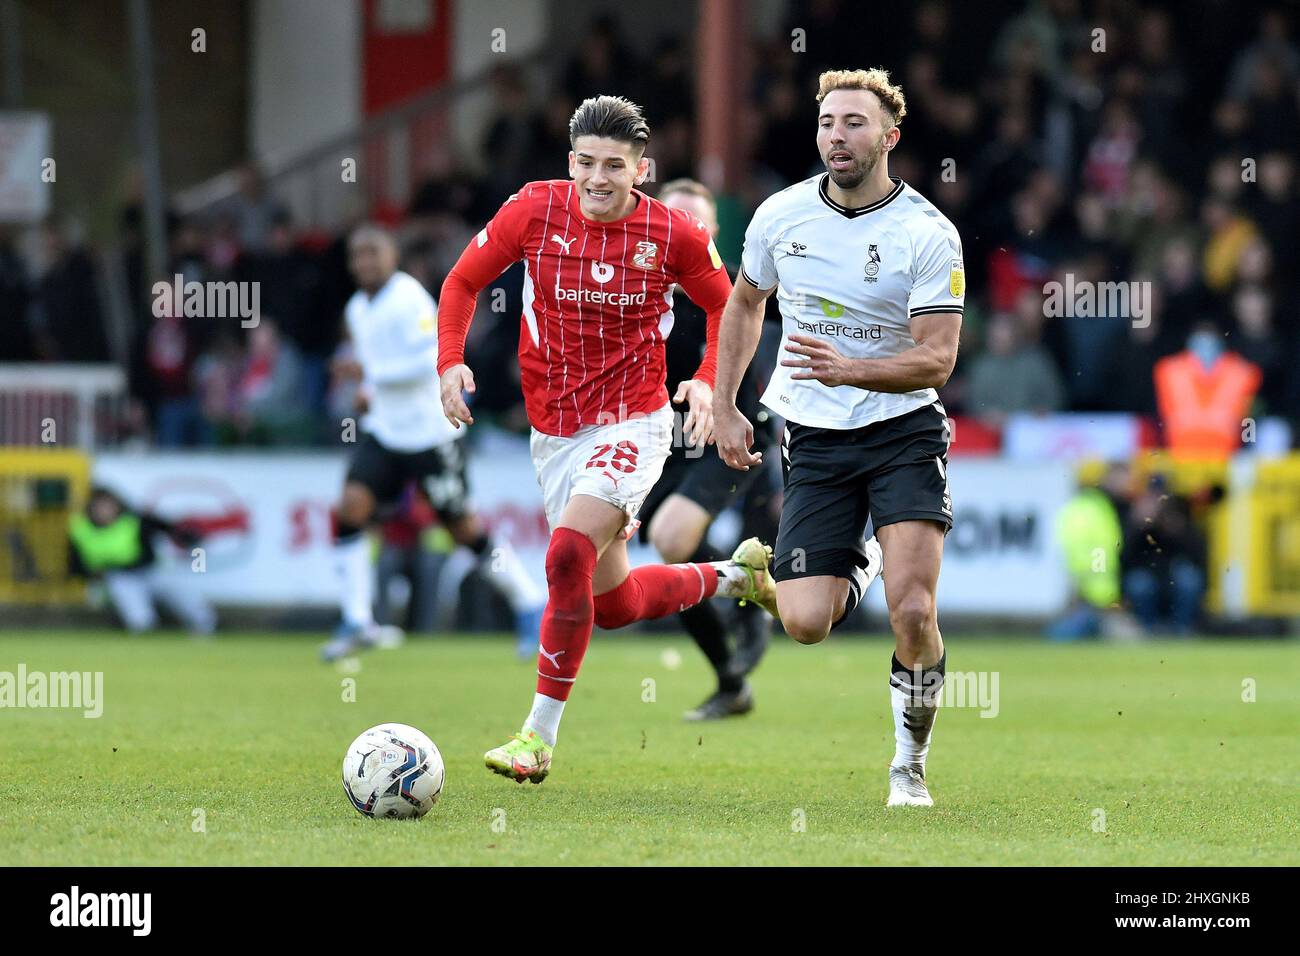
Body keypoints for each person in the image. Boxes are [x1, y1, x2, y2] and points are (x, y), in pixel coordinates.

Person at [437, 95, 780, 784]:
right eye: (587, 163)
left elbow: (729, 304)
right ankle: (736, 577)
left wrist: (711, 382)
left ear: (641, 170)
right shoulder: (533, 209)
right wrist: (450, 361)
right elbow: (462, 281)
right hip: (554, 432)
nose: (598, 178)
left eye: (614, 166)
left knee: (565, 556)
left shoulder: (673, 233)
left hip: (634, 420)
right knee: (612, 605)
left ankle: (537, 738)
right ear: (570, 163)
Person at [713, 68, 962, 808]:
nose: (836, 136)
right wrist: (728, 405)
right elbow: (744, 302)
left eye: (854, 123)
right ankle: (846, 560)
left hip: (903, 433)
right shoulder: (780, 216)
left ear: (890, 136)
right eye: (827, 123)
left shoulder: (927, 232)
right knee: (806, 623)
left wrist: (852, 368)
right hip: (816, 438)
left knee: (913, 611)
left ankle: (908, 766)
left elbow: (938, 358)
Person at [322, 225, 545, 662]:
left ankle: (528, 600)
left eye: (373, 252)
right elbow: (378, 370)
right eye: (357, 254)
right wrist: (370, 392)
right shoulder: (357, 308)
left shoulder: (409, 299)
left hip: (430, 435)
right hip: (386, 433)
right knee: (351, 508)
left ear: (393, 256)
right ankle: (357, 620)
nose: (364, 261)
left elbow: (431, 358)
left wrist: (367, 375)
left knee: (464, 530)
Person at [636, 178, 775, 721]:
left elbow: (760, 365)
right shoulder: (634, 285)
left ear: (714, 231)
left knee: (672, 542)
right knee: (669, 552)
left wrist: (709, 387)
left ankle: (747, 604)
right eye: (674, 219)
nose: (685, 231)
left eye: (696, 222)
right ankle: (731, 675)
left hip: (728, 432)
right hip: (661, 440)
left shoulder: (731, 289)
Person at [67, 486, 216, 635]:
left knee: (185, 594)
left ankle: (205, 628)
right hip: (119, 578)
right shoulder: (80, 529)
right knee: (139, 619)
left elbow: (169, 528)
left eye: (108, 506)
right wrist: (94, 576)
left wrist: (190, 538)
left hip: (151, 572)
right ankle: (145, 637)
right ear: (90, 508)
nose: (105, 511)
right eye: (100, 507)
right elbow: (75, 565)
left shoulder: (135, 519)